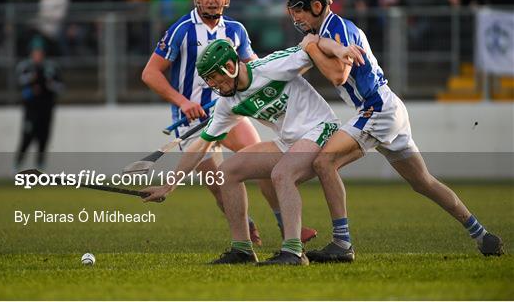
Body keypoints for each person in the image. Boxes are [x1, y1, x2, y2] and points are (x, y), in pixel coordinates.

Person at [284, 0, 504, 262]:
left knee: (324, 162)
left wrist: (311, 48)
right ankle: (482, 234)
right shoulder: (331, 28)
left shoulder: (336, 28)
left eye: (299, 9)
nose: (295, 16)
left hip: (377, 108)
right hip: (388, 106)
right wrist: (314, 44)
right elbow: (323, 44)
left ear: (316, 6)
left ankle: (342, 243)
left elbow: (337, 75)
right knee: (422, 182)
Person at [142, 38, 365, 265]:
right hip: (288, 142)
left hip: (321, 129)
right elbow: (201, 144)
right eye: (209, 81)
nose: (214, 86)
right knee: (227, 171)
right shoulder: (227, 102)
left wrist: (340, 49)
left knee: (282, 173)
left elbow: (312, 45)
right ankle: (243, 250)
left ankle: (294, 252)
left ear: (229, 68)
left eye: (215, 79)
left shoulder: (272, 67)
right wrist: (169, 185)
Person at [141, 0, 317, 246]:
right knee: (219, 187)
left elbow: (254, 67)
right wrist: (184, 102)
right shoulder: (181, 30)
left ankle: (285, 224)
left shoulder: (236, 30)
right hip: (192, 121)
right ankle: (244, 227)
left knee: (259, 166)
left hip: (229, 111)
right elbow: (150, 73)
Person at [15, 36, 63, 170]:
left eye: (40, 52)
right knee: (27, 138)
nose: (38, 55)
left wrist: (49, 85)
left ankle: (40, 168)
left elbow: (60, 87)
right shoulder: (25, 67)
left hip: (46, 108)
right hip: (31, 109)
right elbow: (19, 83)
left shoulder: (52, 67)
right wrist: (32, 81)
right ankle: (17, 166)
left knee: (43, 139)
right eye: (36, 52)